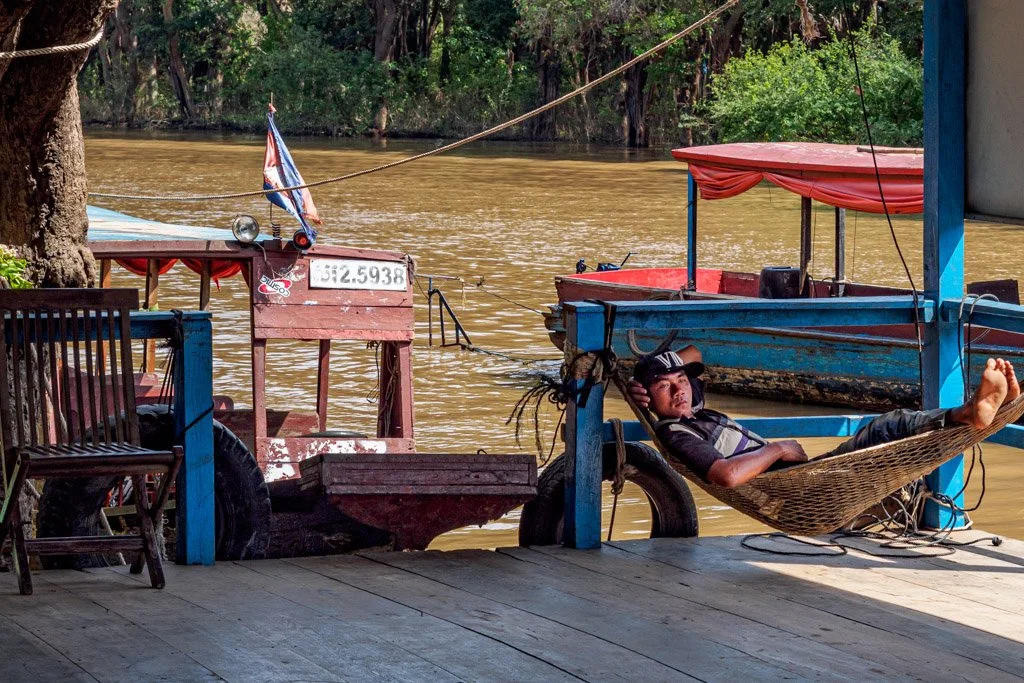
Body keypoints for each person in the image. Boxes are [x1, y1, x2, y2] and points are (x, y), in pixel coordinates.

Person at [627, 346, 1021, 489]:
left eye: (681, 380)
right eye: (664, 386)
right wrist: (779, 447)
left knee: (888, 436)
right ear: (652, 401)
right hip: (792, 485)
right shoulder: (677, 432)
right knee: (888, 428)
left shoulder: (692, 407)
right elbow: (725, 477)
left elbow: (693, 353)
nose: (679, 389)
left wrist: (647, 379)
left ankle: (981, 411)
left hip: (805, 476)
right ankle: (970, 412)